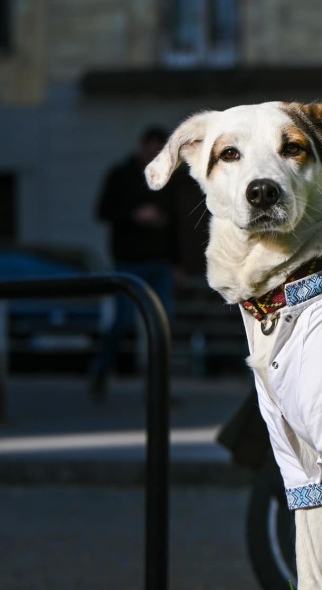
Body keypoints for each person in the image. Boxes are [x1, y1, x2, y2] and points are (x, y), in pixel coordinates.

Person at [90, 127, 180, 399]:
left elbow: (175, 224)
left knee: (164, 326)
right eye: (150, 149)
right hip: (129, 263)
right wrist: (134, 215)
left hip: (160, 263)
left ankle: (159, 388)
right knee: (123, 323)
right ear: (141, 147)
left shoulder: (167, 178)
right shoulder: (121, 175)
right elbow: (102, 211)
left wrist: (177, 263)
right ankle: (101, 370)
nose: (153, 154)